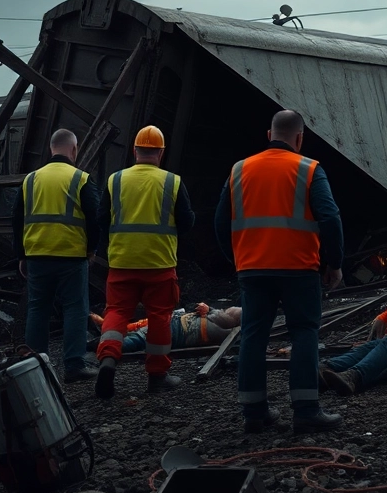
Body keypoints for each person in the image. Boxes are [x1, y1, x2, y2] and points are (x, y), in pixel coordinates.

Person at [215, 109, 345, 434]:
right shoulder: (309, 169)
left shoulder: (239, 169)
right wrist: (335, 263)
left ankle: (254, 413)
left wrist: (237, 258)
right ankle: (305, 411)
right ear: (300, 138)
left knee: (253, 335)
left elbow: (219, 222)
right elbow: (330, 218)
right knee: (304, 333)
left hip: (253, 269)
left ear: (268, 134)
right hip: (298, 269)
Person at [94, 125, 195, 398]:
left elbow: (101, 220)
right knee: (159, 317)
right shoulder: (172, 182)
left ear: (134, 151)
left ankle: (107, 360)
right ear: (161, 153)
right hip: (159, 263)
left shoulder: (115, 180)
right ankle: (157, 377)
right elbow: (187, 222)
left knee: (116, 312)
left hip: (122, 262)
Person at [14, 128, 103, 382]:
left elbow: (17, 219)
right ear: (73, 150)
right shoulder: (81, 178)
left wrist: (21, 254)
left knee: (38, 308)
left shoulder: (30, 180)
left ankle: (36, 367)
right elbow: (94, 218)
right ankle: (74, 366)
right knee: (75, 307)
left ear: (51, 149)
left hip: (37, 255)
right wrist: (92, 249)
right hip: (71, 255)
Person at [89, 304, 241, 353]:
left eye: (230, 311)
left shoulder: (224, 331)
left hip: (173, 332)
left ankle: (100, 345)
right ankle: (107, 328)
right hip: (172, 322)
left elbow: (221, 319)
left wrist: (210, 310)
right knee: (140, 326)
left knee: (138, 339)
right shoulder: (217, 318)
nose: (227, 309)